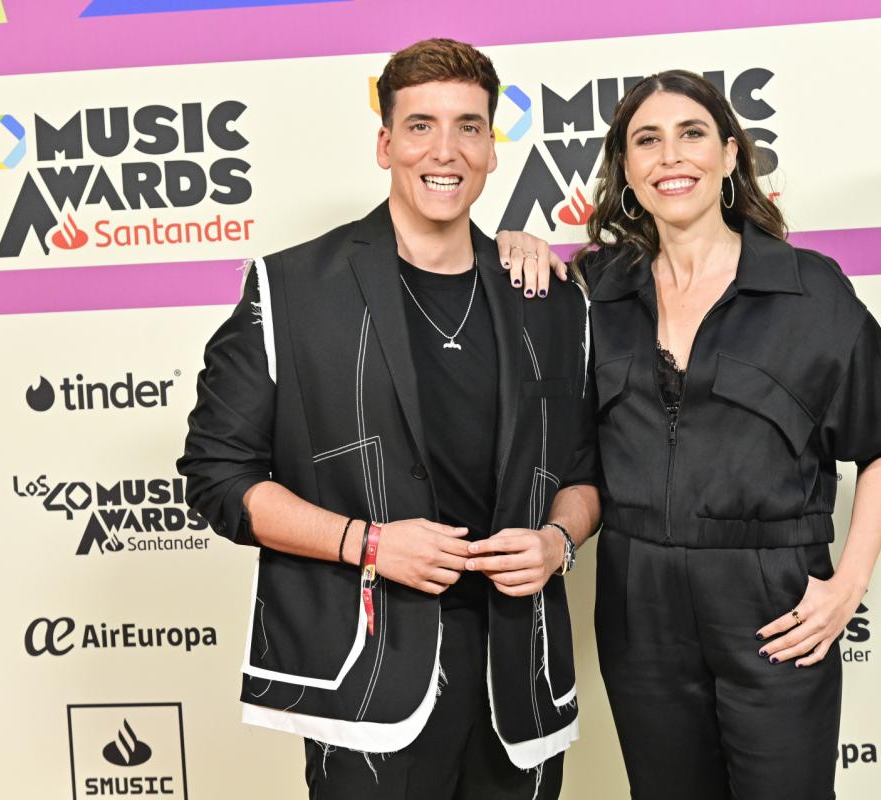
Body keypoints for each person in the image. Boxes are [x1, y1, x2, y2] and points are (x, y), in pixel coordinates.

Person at [177, 38, 600, 800]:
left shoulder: (550, 297)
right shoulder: (292, 287)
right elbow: (219, 477)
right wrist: (368, 544)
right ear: (385, 144)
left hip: (520, 675)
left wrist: (557, 541)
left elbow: (586, 470)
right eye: (421, 126)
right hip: (367, 674)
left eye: (470, 126)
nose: (446, 150)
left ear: (492, 148)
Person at [513, 70, 881, 798]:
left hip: (772, 597)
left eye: (692, 134)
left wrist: (848, 585)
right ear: (627, 171)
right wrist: (519, 243)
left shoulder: (810, 289)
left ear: (731, 156)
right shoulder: (596, 290)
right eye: (648, 141)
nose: (671, 157)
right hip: (638, 600)